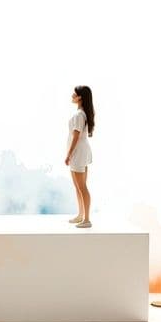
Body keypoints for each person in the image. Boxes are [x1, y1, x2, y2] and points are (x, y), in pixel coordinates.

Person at [65, 86, 95, 228]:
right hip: (83, 151)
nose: (72, 95)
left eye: (74, 94)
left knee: (81, 186)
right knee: (78, 186)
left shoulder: (78, 115)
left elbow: (76, 136)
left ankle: (86, 219)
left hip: (78, 153)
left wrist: (68, 154)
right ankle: (81, 215)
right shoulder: (82, 114)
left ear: (80, 98)